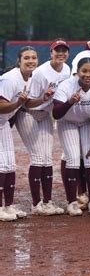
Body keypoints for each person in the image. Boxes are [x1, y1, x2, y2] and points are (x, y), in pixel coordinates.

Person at [16, 40, 70, 216]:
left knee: (47, 159)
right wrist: (45, 97)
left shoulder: (67, 70)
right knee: (38, 157)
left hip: (45, 114)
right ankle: (36, 203)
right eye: (57, 50)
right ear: (51, 52)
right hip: (29, 113)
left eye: (64, 50)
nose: (60, 54)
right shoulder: (40, 73)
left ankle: (47, 201)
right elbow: (29, 102)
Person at [52, 57, 90, 216]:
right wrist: (69, 102)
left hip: (86, 122)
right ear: (77, 72)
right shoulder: (66, 85)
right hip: (67, 121)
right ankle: (72, 202)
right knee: (73, 159)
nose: (88, 75)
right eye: (84, 71)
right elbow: (56, 114)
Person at [0, 46, 38, 221]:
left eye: (34, 57)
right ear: (19, 61)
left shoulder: (29, 78)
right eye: (27, 58)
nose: (31, 61)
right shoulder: (10, 79)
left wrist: (44, 98)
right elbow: (1, 106)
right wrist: (17, 103)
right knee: (1, 166)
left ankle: (7, 206)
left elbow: (26, 104)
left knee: (10, 166)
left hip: (3, 124)